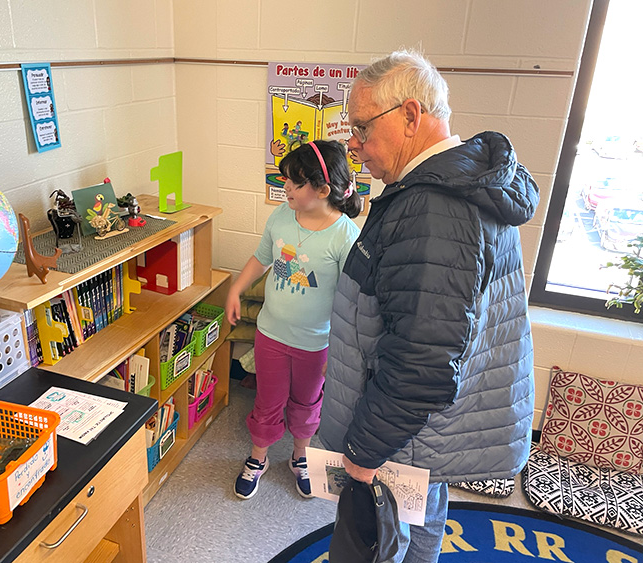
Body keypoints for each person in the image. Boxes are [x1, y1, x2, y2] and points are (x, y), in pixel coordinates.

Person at [318, 49, 539, 562]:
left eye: (362, 128)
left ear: (411, 116)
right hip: (428, 430)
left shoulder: (433, 210)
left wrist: (363, 450)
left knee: (386, 541)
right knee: (421, 521)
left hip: (402, 434)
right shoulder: (461, 185)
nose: (353, 144)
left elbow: (424, 359)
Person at [226, 140, 362, 500]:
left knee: (306, 402)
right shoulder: (281, 216)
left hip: (316, 344)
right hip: (270, 335)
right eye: (285, 178)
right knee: (267, 401)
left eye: (295, 182)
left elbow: (351, 300)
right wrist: (235, 290)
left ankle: (300, 457)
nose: (285, 186)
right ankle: (259, 458)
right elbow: (262, 257)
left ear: (323, 190)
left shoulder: (346, 235)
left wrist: (341, 349)